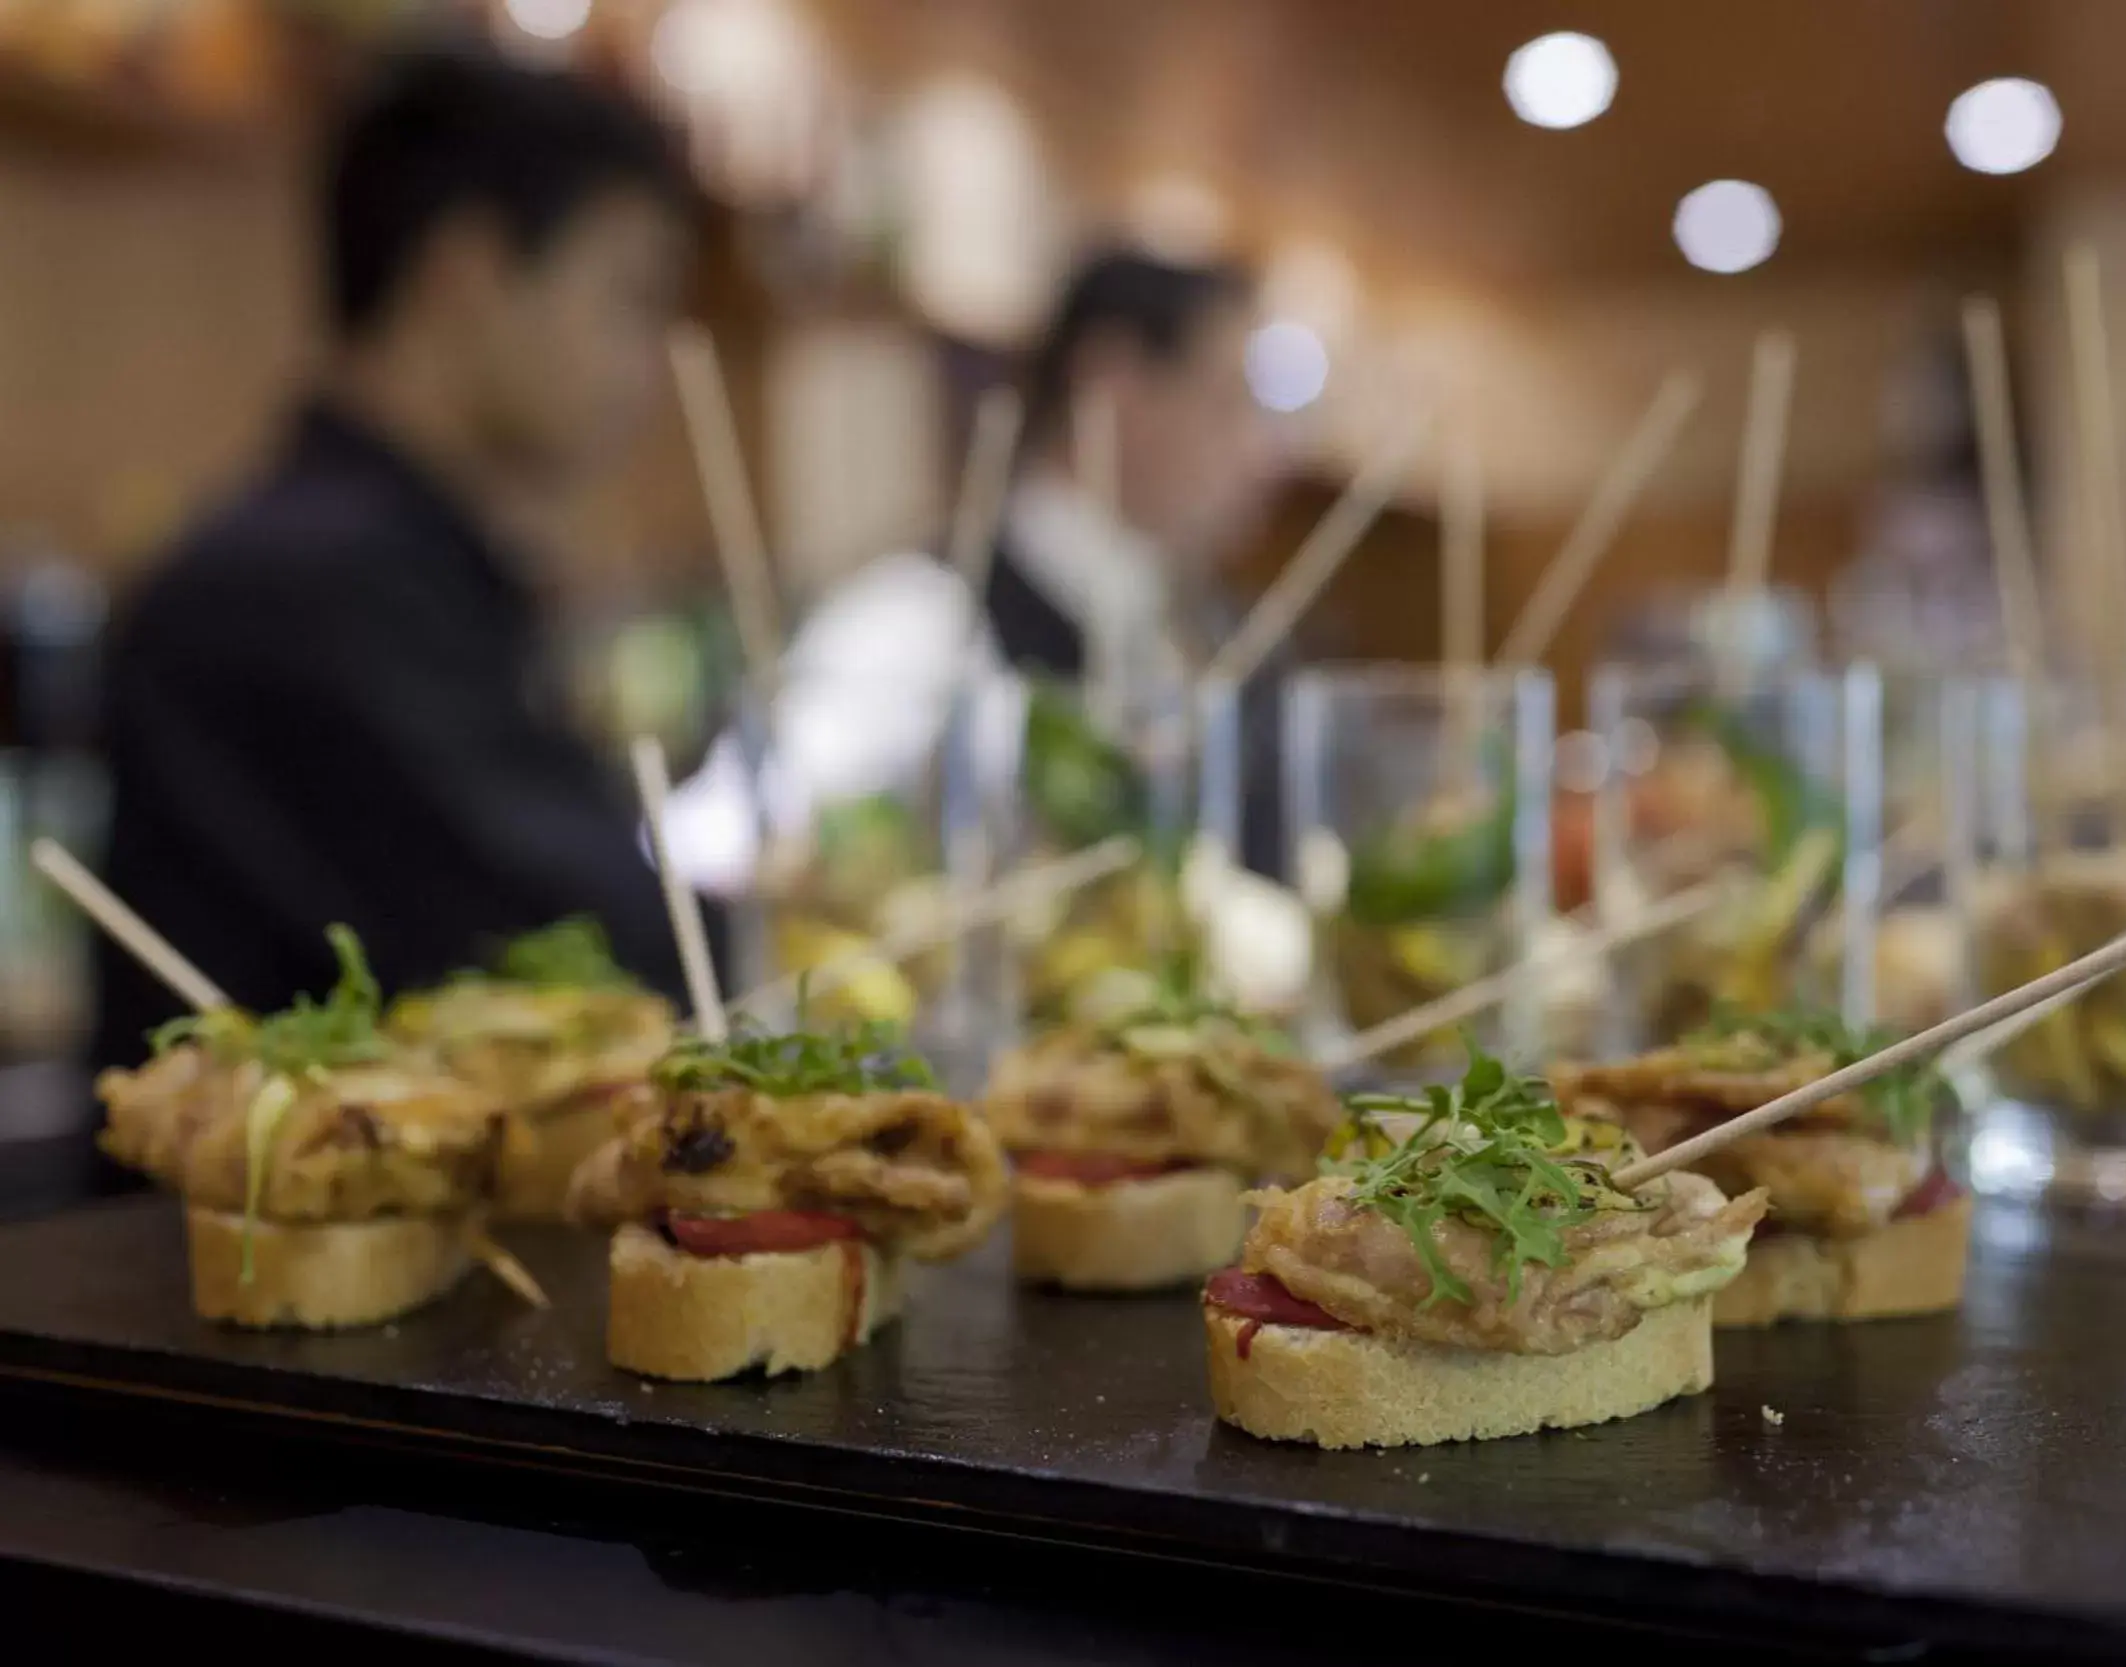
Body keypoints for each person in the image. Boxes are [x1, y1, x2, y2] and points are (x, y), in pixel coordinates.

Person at [89, 49, 702, 1072]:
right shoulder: (300, 586)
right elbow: (603, 949)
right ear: (466, 275)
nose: (650, 370)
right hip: (239, 1221)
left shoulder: (382, 563)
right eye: (630, 299)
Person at [666, 249, 1293, 887]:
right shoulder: (927, 615)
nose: (1265, 455)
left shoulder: (1208, 636)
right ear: (1115, 383)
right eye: (1229, 403)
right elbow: (714, 843)